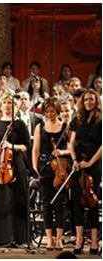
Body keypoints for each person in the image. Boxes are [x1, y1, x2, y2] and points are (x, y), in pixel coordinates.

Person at [0, 92, 31, 246]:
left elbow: (27, 146)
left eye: (10, 103)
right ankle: (0, 237)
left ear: (16, 106)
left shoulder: (19, 124)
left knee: (16, 199)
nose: (7, 106)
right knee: (0, 200)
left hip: (15, 163)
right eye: (5, 103)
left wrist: (12, 146)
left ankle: (18, 237)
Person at [32, 98, 70, 251]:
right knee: (47, 204)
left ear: (57, 111)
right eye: (47, 112)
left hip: (61, 168)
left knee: (60, 203)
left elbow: (71, 149)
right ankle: (49, 239)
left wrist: (62, 152)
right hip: (45, 168)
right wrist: (36, 169)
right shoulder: (39, 127)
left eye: (52, 111)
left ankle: (59, 238)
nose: (49, 114)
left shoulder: (65, 127)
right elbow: (36, 150)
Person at [69, 89, 101, 255]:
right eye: (86, 99)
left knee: (93, 202)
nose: (89, 102)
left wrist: (90, 162)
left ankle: (94, 241)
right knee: (77, 202)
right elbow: (71, 143)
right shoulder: (77, 119)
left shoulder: (101, 120)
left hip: (94, 164)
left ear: (97, 101)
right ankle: (80, 239)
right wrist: (74, 160)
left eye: (92, 99)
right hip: (78, 164)